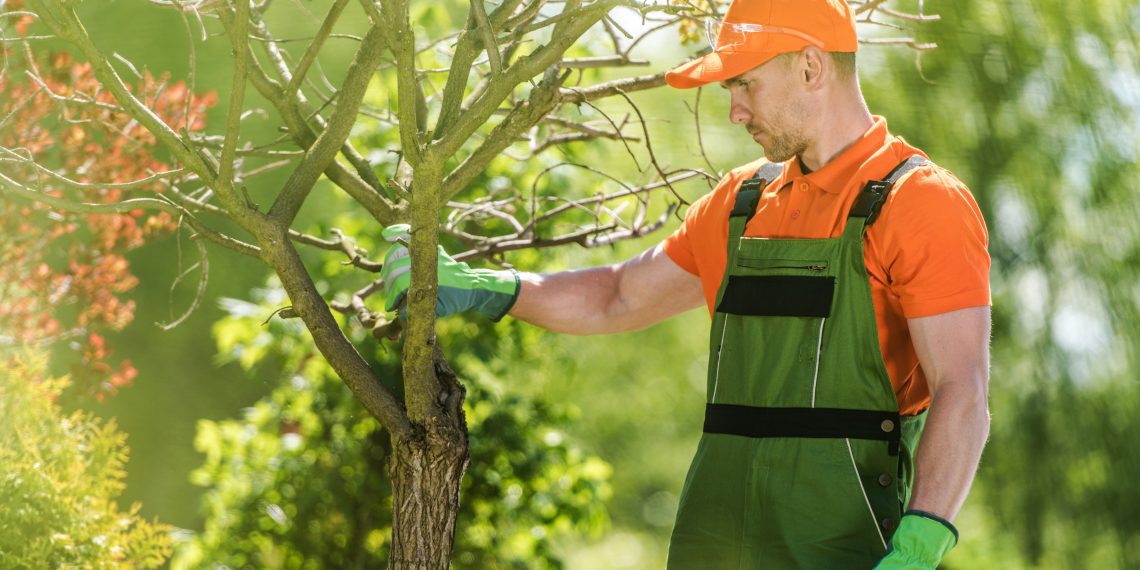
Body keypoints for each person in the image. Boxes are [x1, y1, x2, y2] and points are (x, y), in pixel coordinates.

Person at [381, 0, 991, 567]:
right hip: (712, 546)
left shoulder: (918, 203)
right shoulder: (742, 203)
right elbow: (619, 295)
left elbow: (962, 388)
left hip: (843, 549)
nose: (735, 111)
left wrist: (921, 543)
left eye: (745, 84)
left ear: (811, 67)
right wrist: (489, 286)